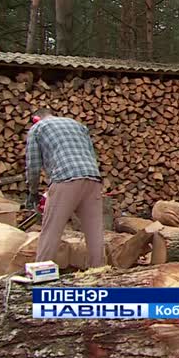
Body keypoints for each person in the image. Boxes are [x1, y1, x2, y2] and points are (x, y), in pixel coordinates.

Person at [25, 108, 105, 267]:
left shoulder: (38, 128)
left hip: (65, 177)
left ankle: (41, 271)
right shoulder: (77, 124)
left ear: (36, 119)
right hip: (92, 177)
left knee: (52, 229)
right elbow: (91, 153)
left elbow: (33, 165)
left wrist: (32, 192)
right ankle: (99, 271)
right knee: (94, 231)